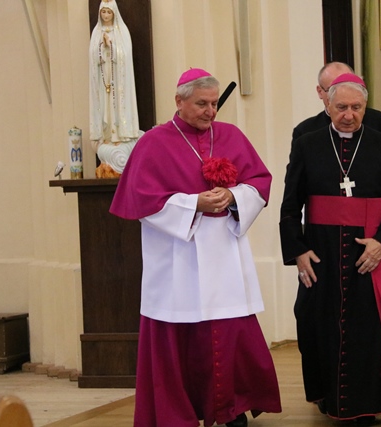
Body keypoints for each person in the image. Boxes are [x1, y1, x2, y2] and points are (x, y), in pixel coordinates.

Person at [110, 68, 281, 427]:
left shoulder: (230, 135)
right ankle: (178, 414)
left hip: (225, 255)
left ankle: (230, 408)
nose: (211, 111)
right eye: (202, 104)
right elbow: (142, 199)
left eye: (215, 103)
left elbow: (259, 182)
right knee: (180, 337)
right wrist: (193, 204)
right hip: (178, 258)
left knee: (230, 332)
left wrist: (234, 195)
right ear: (179, 101)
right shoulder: (153, 143)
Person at [279, 73, 381, 424]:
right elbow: (290, 206)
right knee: (316, 323)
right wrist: (298, 250)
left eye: (356, 107)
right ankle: (326, 395)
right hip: (322, 254)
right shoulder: (307, 144)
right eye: (342, 107)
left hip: (369, 256)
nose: (349, 115)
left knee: (368, 329)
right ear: (328, 105)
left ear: (365, 106)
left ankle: (367, 404)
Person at [89, 0, 142, 177]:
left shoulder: (121, 31)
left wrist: (111, 45)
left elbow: (124, 54)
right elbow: (92, 57)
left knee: (117, 106)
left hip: (119, 81)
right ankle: (108, 136)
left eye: (108, 12)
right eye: (103, 12)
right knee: (105, 108)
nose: (105, 16)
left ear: (114, 14)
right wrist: (101, 47)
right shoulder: (96, 32)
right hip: (104, 79)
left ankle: (120, 135)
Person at [292, 62, 381, 143]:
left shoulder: (380, 123)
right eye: (332, 89)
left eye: (349, 86)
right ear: (320, 92)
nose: (342, 93)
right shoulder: (305, 131)